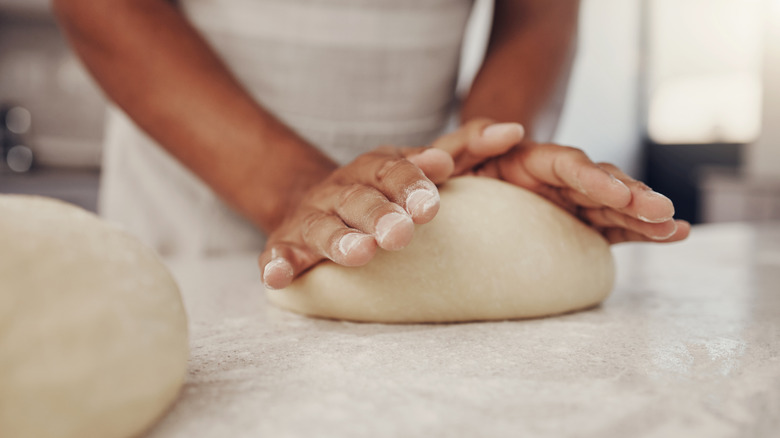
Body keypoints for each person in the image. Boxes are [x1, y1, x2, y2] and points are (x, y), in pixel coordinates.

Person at [53, 0, 689, 290]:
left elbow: (540, 10)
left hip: (423, 207)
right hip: (189, 197)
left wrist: (492, 151)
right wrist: (293, 186)